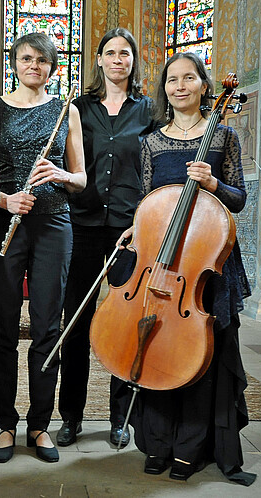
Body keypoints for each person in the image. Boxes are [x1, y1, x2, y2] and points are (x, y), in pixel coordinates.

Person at [119, 52, 256, 486]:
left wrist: (214, 183)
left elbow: (238, 199)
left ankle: (193, 448)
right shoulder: (151, 142)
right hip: (160, 261)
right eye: (171, 80)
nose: (179, 86)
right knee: (157, 348)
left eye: (189, 78)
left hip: (205, 263)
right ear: (164, 88)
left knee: (202, 354)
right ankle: (158, 443)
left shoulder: (223, 137)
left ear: (203, 85)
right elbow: (146, 204)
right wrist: (133, 232)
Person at [0, 32, 86, 464]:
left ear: (52, 67)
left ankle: (40, 424)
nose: (33, 66)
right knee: (2, 326)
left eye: (42, 60)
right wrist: (4, 199)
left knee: (47, 328)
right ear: (14, 63)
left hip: (54, 225)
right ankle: (6, 424)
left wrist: (58, 174)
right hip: (6, 222)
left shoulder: (67, 110)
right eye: (25, 58)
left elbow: (81, 180)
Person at [57, 27, 159, 449]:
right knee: (75, 322)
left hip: (130, 230)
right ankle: (71, 416)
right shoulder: (78, 108)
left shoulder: (150, 110)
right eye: (110, 53)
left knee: (126, 322)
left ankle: (122, 419)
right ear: (97, 59)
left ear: (133, 61)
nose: (118, 59)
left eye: (126, 53)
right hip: (81, 225)